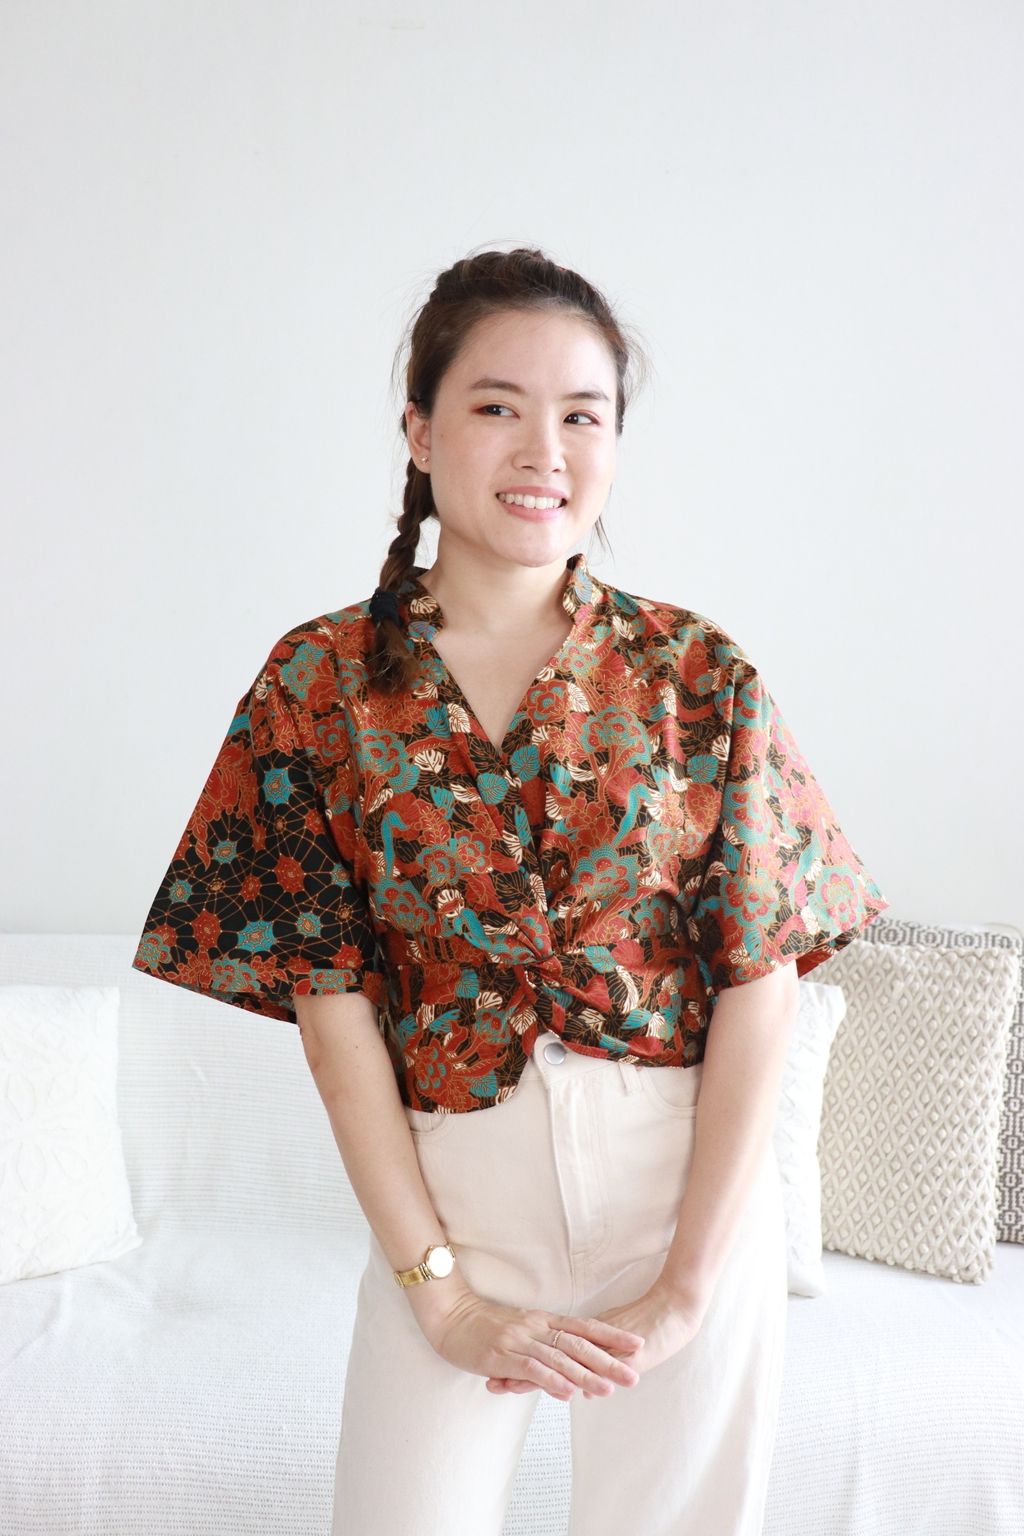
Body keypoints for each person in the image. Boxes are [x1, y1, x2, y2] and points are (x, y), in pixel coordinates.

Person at [132, 245, 889, 1536]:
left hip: (682, 1205)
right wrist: (439, 1294)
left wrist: (688, 1292)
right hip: (454, 1209)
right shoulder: (319, 684)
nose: (546, 450)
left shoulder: (698, 674)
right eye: (498, 405)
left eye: (583, 415)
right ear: (420, 431)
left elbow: (760, 984)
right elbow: (332, 1016)